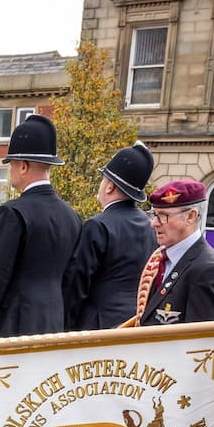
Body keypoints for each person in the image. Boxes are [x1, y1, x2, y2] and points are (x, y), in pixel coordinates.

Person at [0, 114, 81, 338]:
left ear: (23, 166)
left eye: (11, 164)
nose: (10, 171)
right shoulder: (71, 215)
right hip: (54, 319)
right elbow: (71, 277)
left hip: (15, 320)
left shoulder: (14, 211)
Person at [63, 141, 157, 330]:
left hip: (98, 324)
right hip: (136, 321)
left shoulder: (97, 225)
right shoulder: (150, 225)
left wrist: (66, 326)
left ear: (109, 187)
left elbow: (77, 284)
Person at [135, 179, 214, 326]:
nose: (153, 223)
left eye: (163, 216)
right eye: (153, 215)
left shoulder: (208, 270)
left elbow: (200, 341)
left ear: (191, 216)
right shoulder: (161, 258)